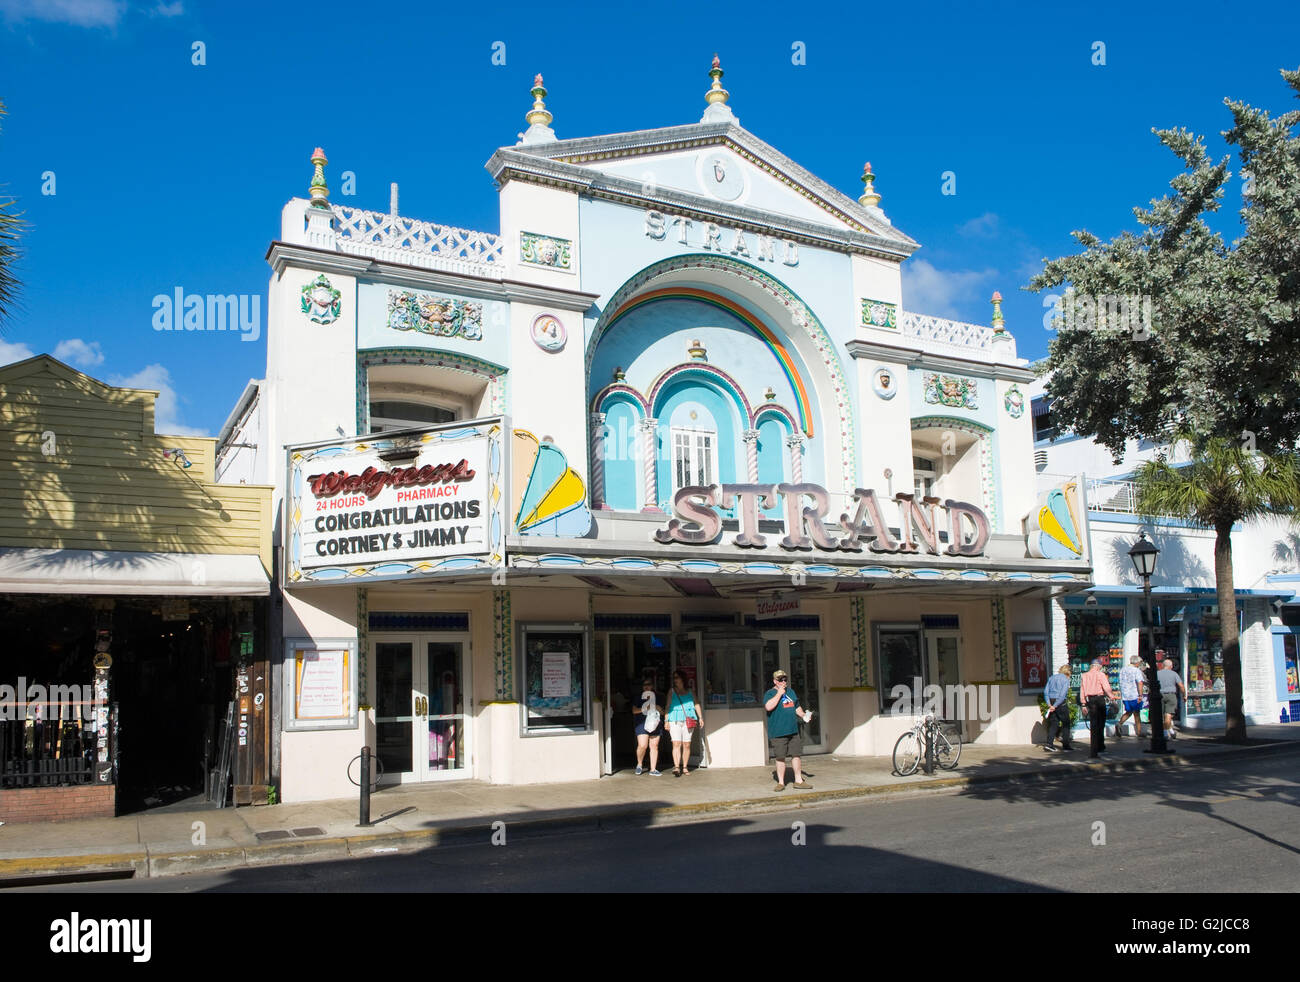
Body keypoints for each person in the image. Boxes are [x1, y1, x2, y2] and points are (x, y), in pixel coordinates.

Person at [764, 669, 813, 790]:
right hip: (778, 731)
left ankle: (798, 780)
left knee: (796, 755)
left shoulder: (791, 692)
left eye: (785, 679)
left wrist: (804, 715)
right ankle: (781, 783)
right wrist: (779, 694)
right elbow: (768, 707)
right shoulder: (770, 693)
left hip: (793, 730)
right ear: (775, 681)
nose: (784, 681)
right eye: (781, 679)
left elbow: (796, 706)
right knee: (780, 757)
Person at [664, 670, 703, 776]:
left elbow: (696, 704)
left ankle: (685, 766)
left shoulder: (690, 691)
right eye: (674, 678)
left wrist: (700, 717)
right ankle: (677, 767)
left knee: (686, 744)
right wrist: (666, 720)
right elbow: (667, 706)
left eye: (677, 677)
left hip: (688, 719)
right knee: (676, 743)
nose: (675, 679)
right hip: (674, 719)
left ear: (682, 678)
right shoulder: (671, 691)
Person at [1079, 658, 1118, 758]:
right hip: (1099, 699)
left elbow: (1082, 690)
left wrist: (1083, 703)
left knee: (1094, 724)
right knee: (1100, 723)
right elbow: (1106, 687)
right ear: (1097, 666)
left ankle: (1094, 748)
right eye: (1100, 666)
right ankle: (1100, 746)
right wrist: (1112, 698)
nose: (1101, 668)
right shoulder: (1100, 675)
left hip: (1090, 700)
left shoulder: (1084, 675)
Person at [631, 675, 662, 776]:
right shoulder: (638, 697)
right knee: (642, 745)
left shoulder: (659, 696)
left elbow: (663, 711)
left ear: (652, 686)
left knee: (654, 746)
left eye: (648, 684)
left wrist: (658, 708)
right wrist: (645, 708)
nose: (646, 686)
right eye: (644, 685)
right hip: (641, 723)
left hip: (655, 723)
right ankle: (639, 764)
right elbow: (634, 710)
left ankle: (653, 769)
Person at [1042, 664, 1074, 752]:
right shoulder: (1066, 680)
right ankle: (1066, 745)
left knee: (1054, 723)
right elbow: (1062, 695)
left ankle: (1049, 744)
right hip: (1060, 703)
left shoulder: (1052, 678)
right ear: (1068, 672)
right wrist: (1055, 706)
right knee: (1066, 723)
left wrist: (1049, 704)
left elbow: (1046, 691)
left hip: (1051, 701)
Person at [1116, 655, 1145, 739]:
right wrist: (1140, 694)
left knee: (1129, 711)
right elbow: (1140, 682)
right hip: (1134, 694)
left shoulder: (1123, 670)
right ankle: (1139, 732)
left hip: (1125, 695)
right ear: (1137, 662)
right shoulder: (1136, 671)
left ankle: (1119, 723)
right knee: (1137, 713)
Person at [1158, 657, 1186, 741]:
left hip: (1160, 695)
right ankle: (1166, 732)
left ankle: (1171, 731)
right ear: (1171, 666)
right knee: (1168, 715)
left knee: (1163, 715)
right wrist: (1184, 695)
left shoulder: (1157, 673)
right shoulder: (1174, 674)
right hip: (1171, 695)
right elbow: (1181, 685)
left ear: (1163, 666)